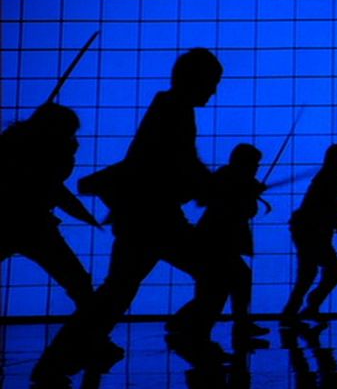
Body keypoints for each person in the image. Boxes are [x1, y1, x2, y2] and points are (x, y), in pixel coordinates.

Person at [76, 47, 224, 345]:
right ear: (196, 80)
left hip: (143, 215)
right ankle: (190, 338)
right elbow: (179, 161)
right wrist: (211, 187)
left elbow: (172, 163)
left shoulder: (170, 106)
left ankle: (69, 353)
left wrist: (205, 185)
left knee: (119, 289)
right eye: (212, 83)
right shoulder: (176, 109)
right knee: (217, 272)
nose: (214, 91)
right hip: (155, 217)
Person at [0, 103, 100, 311]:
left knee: (78, 281)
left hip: (18, 223)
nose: (73, 139)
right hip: (32, 225)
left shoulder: (15, 144)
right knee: (78, 281)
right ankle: (92, 335)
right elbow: (54, 188)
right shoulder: (47, 154)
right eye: (70, 133)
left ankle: (92, 334)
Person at [173, 143, 270, 340]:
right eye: (255, 163)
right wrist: (250, 192)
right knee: (229, 282)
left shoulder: (232, 177)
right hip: (217, 240)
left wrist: (250, 191)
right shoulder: (233, 179)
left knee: (224, 283)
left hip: (216, 239)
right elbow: (238, 208)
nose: (257, 167)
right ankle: (191, 326)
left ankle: (187, 323)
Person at [282, 143, 337, 321]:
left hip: (309, 231)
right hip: (312, 233)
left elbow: (324, 211)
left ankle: (296, 311)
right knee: (326, 271)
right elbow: (324, 211)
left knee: (309, 274)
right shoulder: (330, 179)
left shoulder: (328, 177)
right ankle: (305, 307)